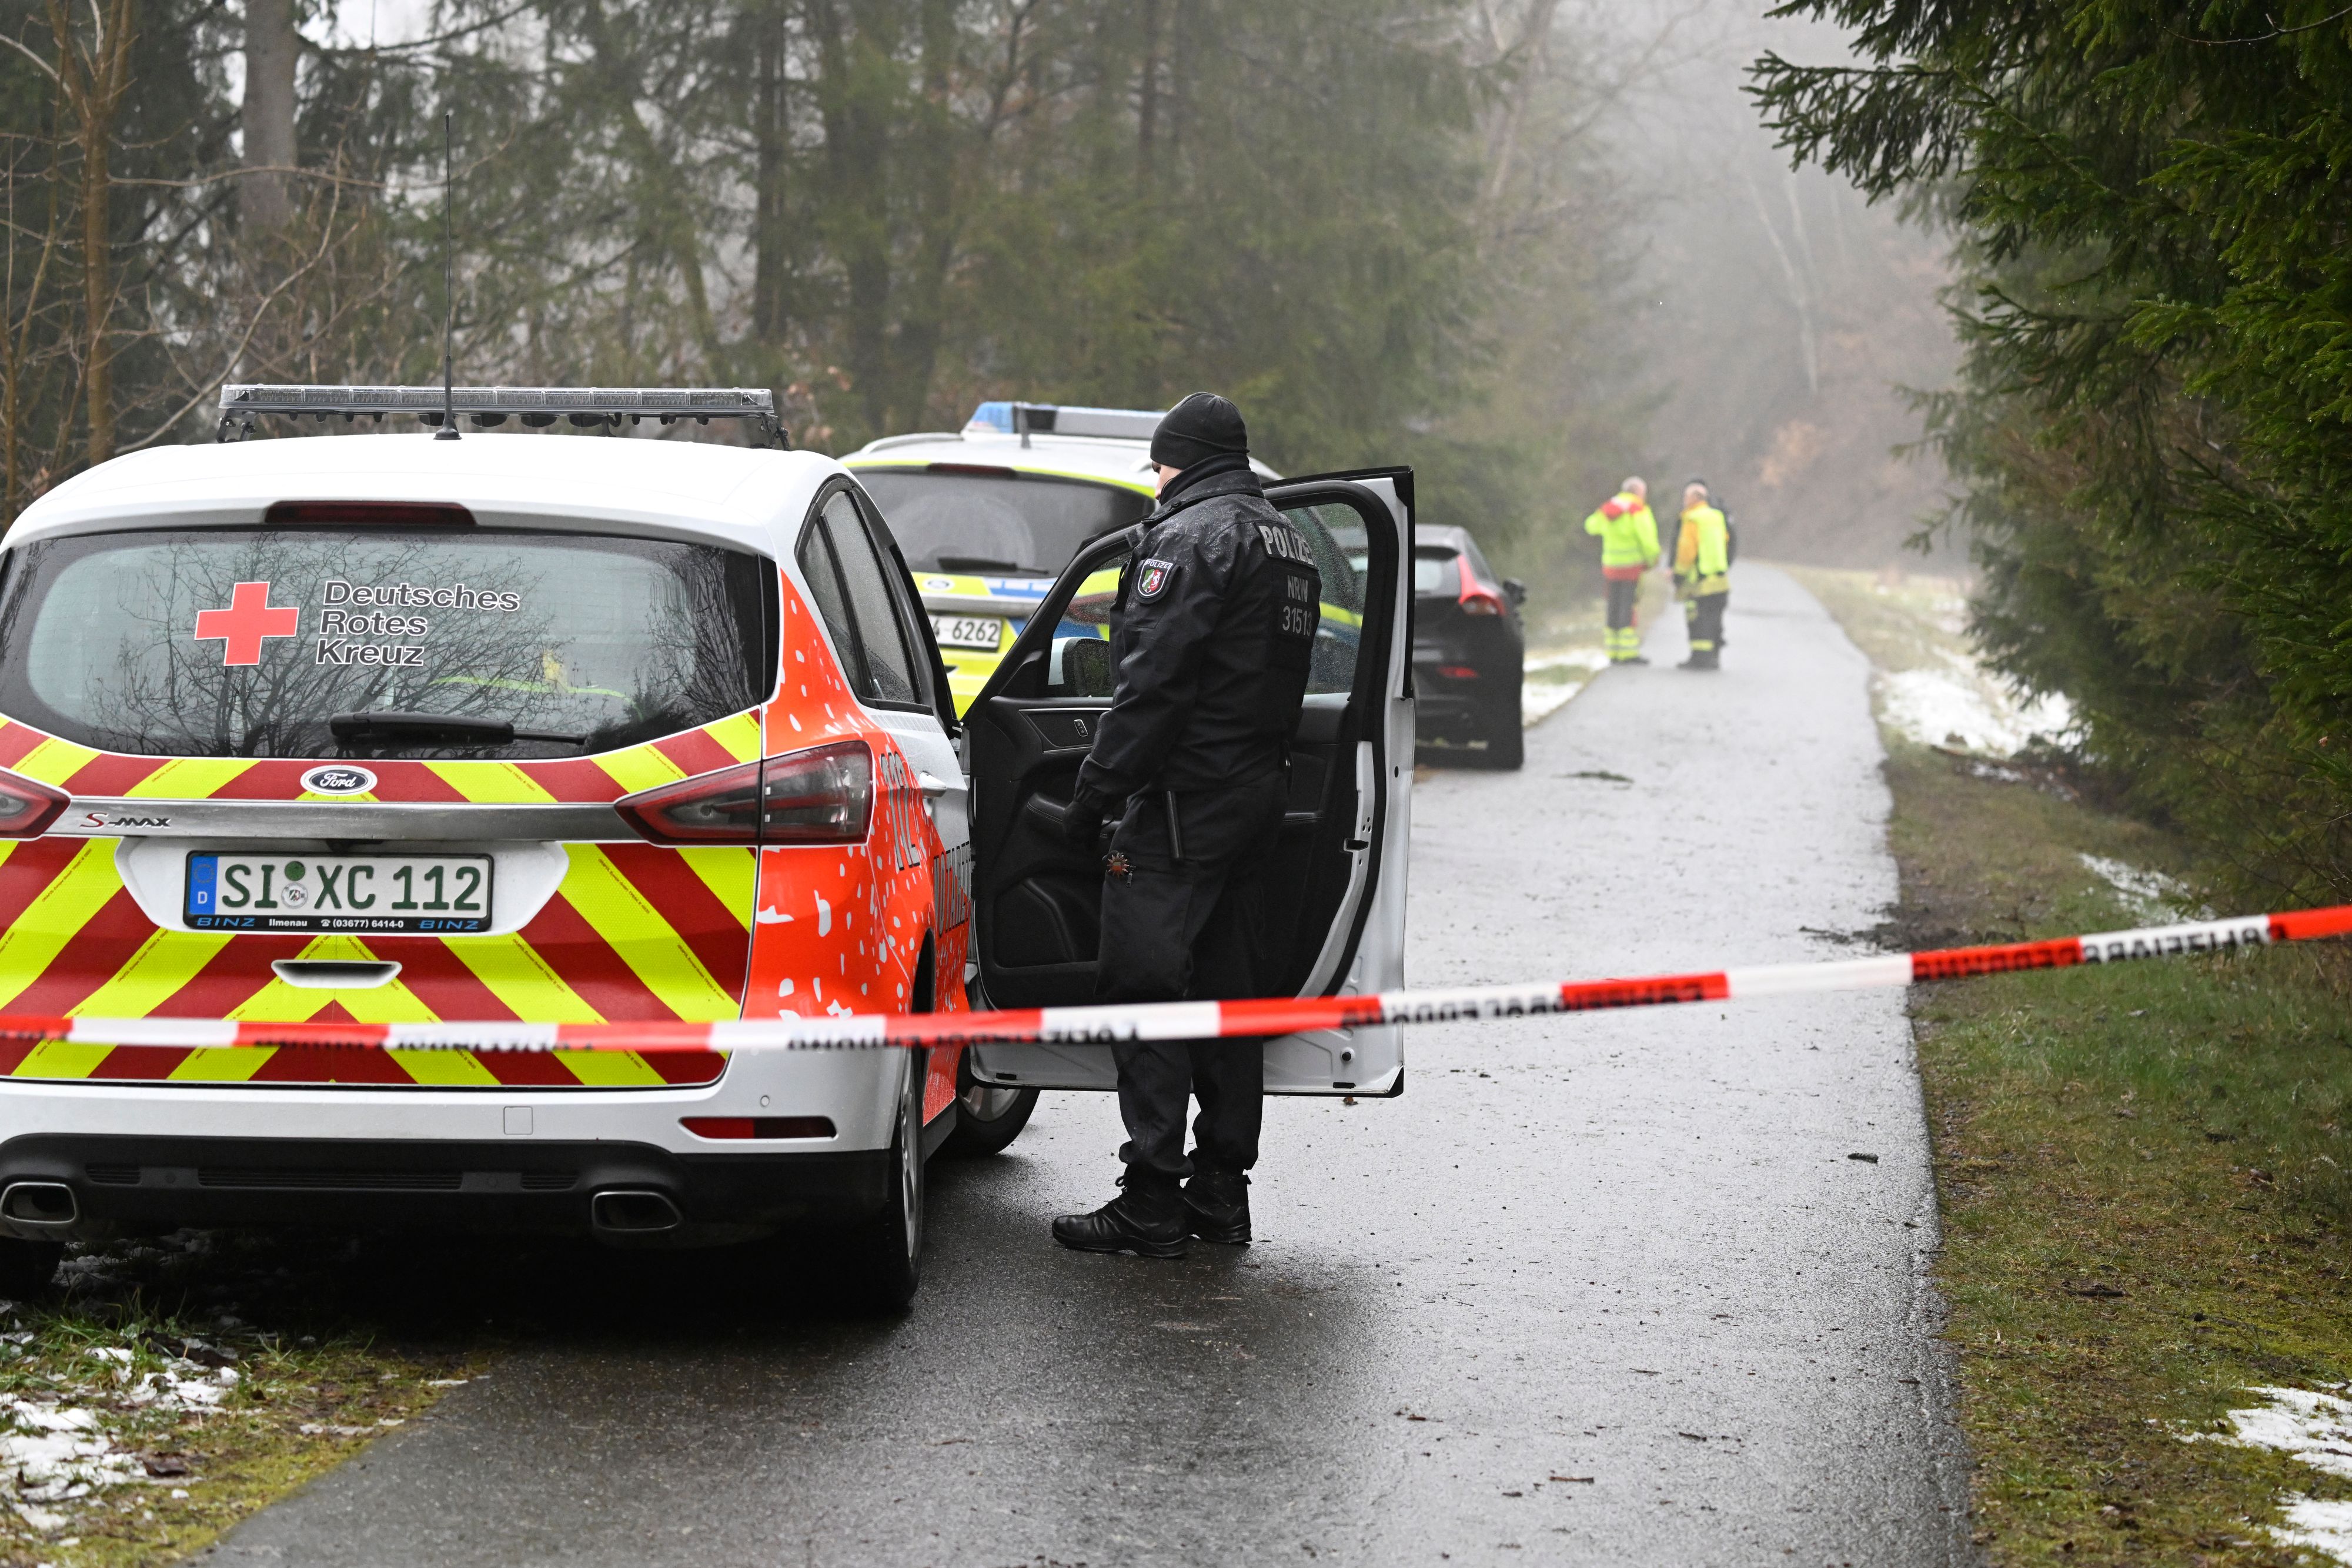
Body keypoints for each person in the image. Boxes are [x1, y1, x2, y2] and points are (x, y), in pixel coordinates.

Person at [1050, 392, 1322, 1259]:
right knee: (1228, 996)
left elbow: (1153, 686)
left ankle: (1151, 1199)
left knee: (1142, 986)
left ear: (1184, 459)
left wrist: (1094, 793)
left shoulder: (1191, 536)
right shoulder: (1289, 540)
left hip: (1180, 807)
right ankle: (1221, 1191)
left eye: (1160, 464)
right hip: (1253, 799)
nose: (1156, 481)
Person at [1583, 477, 1659, 664]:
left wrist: (1604, 512)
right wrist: (1652, 560)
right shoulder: (1638, 510)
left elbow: (1591, 526)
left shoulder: (1611, 508)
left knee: (1613, 607)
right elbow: (1648, 540)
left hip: (1611, 567)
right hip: (1631, 567)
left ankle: (1614, 652)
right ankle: (1628, 653)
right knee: (1628, 607)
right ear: (1639, 492)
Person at [1672, 479, 1732, 670]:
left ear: (1695, 498)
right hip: (1720, 579)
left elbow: (1686, 551)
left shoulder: (1692, 519)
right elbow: (1726, 542)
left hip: (1700, 580)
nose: (1684, 500)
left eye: (1686, 496)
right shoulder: (1717, 517)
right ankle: (1713, 657)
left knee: (1698, 619)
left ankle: (1700, 659)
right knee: (1715, 619)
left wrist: (1678, 574)